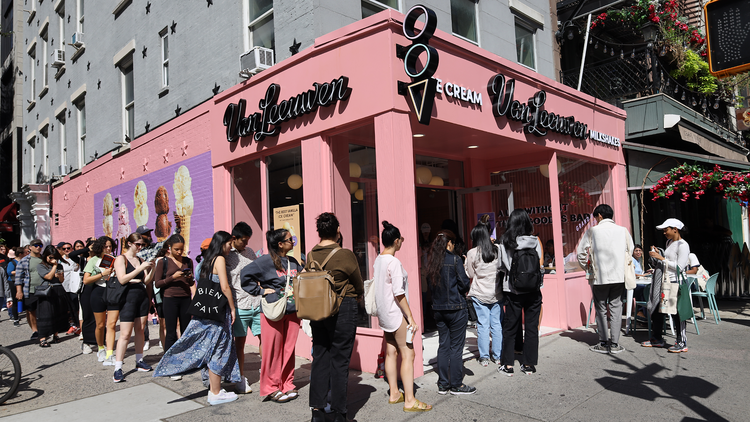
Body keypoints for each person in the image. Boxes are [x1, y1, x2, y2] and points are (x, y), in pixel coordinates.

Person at [154, 231, 240, 406]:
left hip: (207, 311)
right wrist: (232, 308)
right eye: (229, 244)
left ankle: (214, 388)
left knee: (210, 345)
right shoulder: (220, 260)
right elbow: (224, 287)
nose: (231, 247)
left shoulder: (207, 260)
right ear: (222, 243)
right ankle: (215, 392)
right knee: (218, 347)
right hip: (219, 311)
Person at [308, 213, 366, 421]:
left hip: (317, 309)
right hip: (343, 308)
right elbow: (358, 284)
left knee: (320, 357)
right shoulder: (345, 254)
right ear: (338, 231)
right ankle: (340, 413)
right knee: (340, 361)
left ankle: (317, 411)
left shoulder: (311, 254)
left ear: (319, 232)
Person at [372, 221, 432, 414]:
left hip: (384, 314)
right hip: (396, 314)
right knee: (408, 354)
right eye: (401, 240)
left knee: (391, 352)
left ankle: (394, 394)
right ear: (396, 241)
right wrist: (411, 318)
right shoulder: (394, 262)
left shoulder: (378, 260)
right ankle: (409, 399)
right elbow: (399, 293)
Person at [240, 229, 302, 403]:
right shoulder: (265, 261)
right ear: (280, 244)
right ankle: (271, 387)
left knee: (289, 350)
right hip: (273, 311)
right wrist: (260, 291)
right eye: (291, 239)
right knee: (272, 351)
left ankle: (287, 383)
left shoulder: (293, 261)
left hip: (293, 311)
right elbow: (245, 275)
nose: (293, 242)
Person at [576, 204, 635, 355]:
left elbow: (581, 253)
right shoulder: (623, 231)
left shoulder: (592, 231)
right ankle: (615, 344)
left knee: (601, 308)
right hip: (619, 275)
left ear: (600, 215)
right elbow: (631, 250)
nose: (595, 220)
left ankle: (603, 342)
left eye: (596, 217)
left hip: (599, 276)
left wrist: (587, 268)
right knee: (616, 307)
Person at [425, 229, 476, 394]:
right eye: (453, 243)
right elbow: (464, 285)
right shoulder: (455, 260)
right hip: (456, 309)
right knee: (456, 347)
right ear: (449, 243)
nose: (454, 246)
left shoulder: (432, 262)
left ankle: (443, 383)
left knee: (443, 346)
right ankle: (456, 384)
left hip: (439, 310)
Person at [498, 209, 543, 376]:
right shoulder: (535, 241)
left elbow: (501, 265)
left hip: (513, 290)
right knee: (532, 327)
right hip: (533, 290)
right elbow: (538, 261)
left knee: (510, 327)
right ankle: (529, 364)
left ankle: (508, 365)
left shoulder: (505, 241)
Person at [642, 218, 691, 353]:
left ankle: (682, 342)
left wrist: (661, 258)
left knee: (677, 313)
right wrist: (661, 254)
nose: (664, 233)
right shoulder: (669, 242)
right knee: (659, 309)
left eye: (666, 230)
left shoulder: (683, 245)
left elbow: (680, 267)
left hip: (676, 282)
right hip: (665, 281)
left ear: (675, 229)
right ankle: (657, 338)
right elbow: (669, 260)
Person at [112, 233, 155, 382]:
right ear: (129, 243)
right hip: (128, 295)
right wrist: (140, 268)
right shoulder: (121, 259)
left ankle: (139, 360)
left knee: (140, 329)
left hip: (141, 294)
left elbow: (146, 280)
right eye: (138, 244)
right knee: (125, 333)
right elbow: (122, 279)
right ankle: (118, 367)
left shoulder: (140, 260)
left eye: (142, 245)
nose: (140, 247)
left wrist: (152, 268)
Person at [225, 222, 259, 395]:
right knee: (240, 343)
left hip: (256, 302)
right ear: (234, 238)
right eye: (243, 241)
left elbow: (257, 274)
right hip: (239, 306)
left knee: (266, 340)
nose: (246, 244)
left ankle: (268, 374)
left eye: (247, 241)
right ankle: (240, 377)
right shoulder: (225, 256)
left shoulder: (250, 252)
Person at [465, 223, 503, 366]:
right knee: (496, 325)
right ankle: (497, 356)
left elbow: (470, 274)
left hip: (479, 293)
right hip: (496, 293)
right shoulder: (498, 249)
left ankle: (484, 357)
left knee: (483, 325)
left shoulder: (472, 253)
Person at [153, 234, 194, 356]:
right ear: (169, 247)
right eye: (176, 249)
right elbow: (158, 283)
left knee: (186, 330)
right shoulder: (162, 262)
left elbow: (191, 283)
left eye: (182, 249)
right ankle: (170, 359)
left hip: (186, 298)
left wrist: (190, 278)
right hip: (170, 299)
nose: (179, 252)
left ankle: (186, 357)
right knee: (171, 331)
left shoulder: (188, 261)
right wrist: (172, 277)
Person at [35, 245, 73, 347]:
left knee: (57, 312)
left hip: (58, 290)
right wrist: (55, 266)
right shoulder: (41, 265)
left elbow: (61, 280)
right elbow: (48, 277)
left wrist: (60, 276)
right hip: (47, 291)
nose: (53, 260)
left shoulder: (60, 266)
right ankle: (42, 338)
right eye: (50, 257)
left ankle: (55, 335)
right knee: (46, 314)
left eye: (54, 257)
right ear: (46, 256)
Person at [15, 239, 45, 340]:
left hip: (45, 289)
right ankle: (35, 330)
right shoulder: (24, 260)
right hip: (30, 290)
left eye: (40, 245)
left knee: (44, 310)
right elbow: (18, 277)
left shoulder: (44, 259)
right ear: (30, 247)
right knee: (31, 311)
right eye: (36, 245)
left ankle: (44, 329)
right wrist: (19, 291)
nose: (38, 247)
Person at [57, 242, 81, 335]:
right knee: (67, 308)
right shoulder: (60, 260)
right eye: (64, 249)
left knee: (76, 306)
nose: (66, 250)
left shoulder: (75, 259)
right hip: (64, 287)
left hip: (74, 287)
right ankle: (72, 325)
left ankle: (79, 326)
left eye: (68, 248)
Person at [6, 247, 25, 326]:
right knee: (15, 300)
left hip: (23, 281)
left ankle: (21, 311)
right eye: (24, 253)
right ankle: (15, 319)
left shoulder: (23, 261)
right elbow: (9, 272)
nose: (26, 254)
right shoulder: (12, 262)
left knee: (22, 299)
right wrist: (19, 271)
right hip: (13, 282)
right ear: (20, 254)